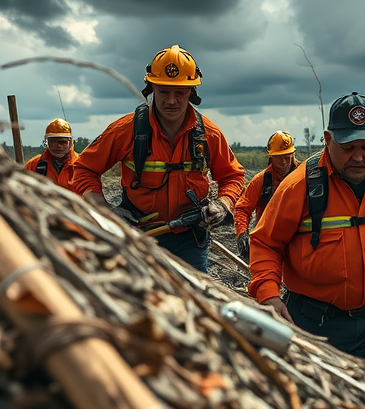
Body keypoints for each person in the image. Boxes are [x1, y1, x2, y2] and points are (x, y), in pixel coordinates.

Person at [248, 92, 365, 371]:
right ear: (328, 140)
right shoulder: (298, 187)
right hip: (315, 324)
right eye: (348, 147)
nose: (359, 157)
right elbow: (266, 243)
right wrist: (269, 295)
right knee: (320, 406)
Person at [71, 46, 245, 272]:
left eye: (180, 92)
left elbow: (233, 176)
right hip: (138, 238)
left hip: (190, 241)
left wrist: (223, 204)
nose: (171, 101)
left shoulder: (208, 135)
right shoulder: (126, 131)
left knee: (191, 303)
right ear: (151, 88)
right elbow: (84, 169)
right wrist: (104, 208)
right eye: (163, 91)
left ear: (191, 91)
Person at [233, 131, 299, 261]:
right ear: (270, 156)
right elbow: (242, 208)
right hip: (267, 237)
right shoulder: (261, 181)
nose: (284, 162)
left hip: (297, 236)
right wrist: (241, 234)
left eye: (287, 157)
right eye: (279, 157)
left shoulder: (303, 177)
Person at [24, 118, 79, 190]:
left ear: (71, 143)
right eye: (53, 142)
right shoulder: (33, 165)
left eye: (63, 142)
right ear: (46, 142)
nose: (59, 146)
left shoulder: (81, 166)